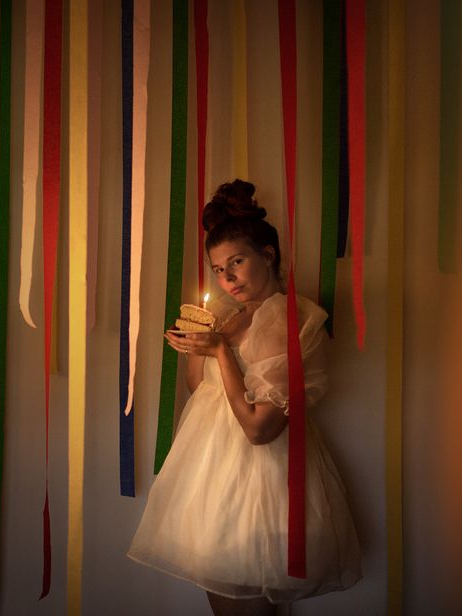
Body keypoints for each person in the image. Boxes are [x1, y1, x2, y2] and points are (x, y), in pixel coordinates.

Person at [127, 180, 362, 616]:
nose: (227, 277)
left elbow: (259, 429)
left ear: (267, 255)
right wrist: (197, 347)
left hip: (262, 485)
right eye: (218, 269)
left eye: (236, 261)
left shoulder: (290, 320)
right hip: (208, 479)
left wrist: (218, 350)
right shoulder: (226, 312)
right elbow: (203, 392)